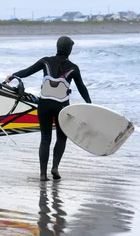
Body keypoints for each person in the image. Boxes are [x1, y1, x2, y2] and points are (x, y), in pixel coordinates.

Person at [5, 36, 92, 181]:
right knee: (61, 138)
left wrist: (12, 76)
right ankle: (55, 168)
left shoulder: (45, 61)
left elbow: (27, 72)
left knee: (45, 138)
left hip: (44, 105)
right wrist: (89, 104)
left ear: (57, 47)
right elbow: (82, 88)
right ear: (69, 49)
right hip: (62, 107)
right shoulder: (73, 68)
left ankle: (43, 174)